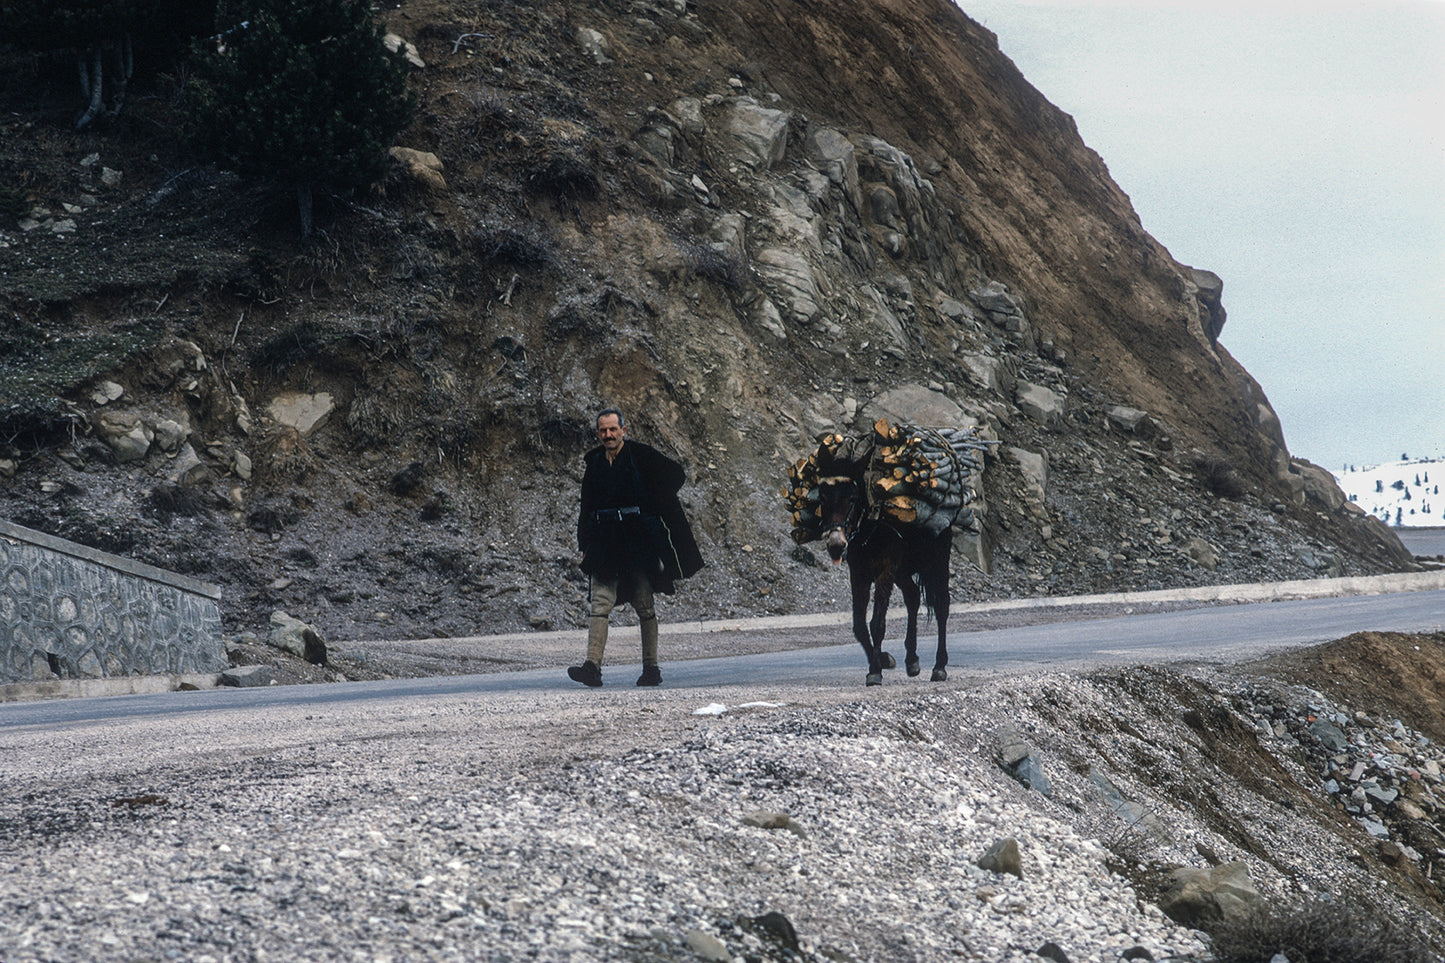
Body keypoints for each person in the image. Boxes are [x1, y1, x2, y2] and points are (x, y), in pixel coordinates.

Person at [568, 407, 703, 687]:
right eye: (603, 430)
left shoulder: (641, 455)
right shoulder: (594, 463)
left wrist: (652, 505)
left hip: (637, 542)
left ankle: (651, 668)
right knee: (600, 602)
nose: (608, 435)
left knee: (644, 603)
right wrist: (585, 542)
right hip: (605, 541)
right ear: (598, 433)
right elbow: (586, 505)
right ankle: (592, 667)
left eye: (613, 429)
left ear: (623, 431)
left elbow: (675, 475)